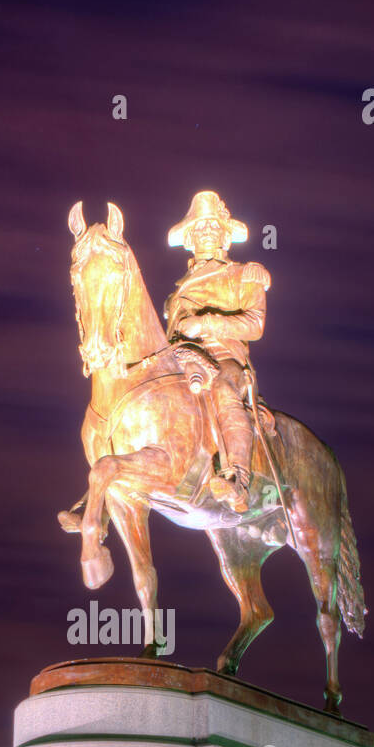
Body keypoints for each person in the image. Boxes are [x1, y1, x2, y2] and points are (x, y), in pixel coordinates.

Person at [165, 191, 271, 512]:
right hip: (182, 360)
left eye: (213, 227)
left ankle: (238, 477)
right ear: (190, 238)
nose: (207, 233)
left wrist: (206, 324)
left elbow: (255, 325)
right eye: (199, 228)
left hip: (225, 358)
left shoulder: (244, 274)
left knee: (223, 387)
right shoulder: (176, 294)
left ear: (226, 235)